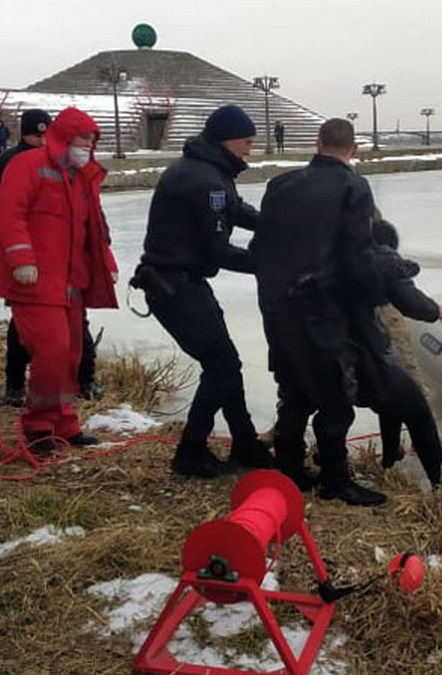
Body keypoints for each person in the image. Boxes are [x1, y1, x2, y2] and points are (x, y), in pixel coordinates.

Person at [252, 118, 388, 506]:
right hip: (322, 308)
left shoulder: (279, 185)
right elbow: (357, 255)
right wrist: (376, 296)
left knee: (293, 388)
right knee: (334, 397)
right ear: (353, 149)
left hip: (277, 305)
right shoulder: (353, 187)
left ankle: (289, 469)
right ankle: (335, 479)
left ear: (318, 143)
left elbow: (261, 247)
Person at [135, 104, 273, 477]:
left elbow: (236, 209)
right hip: (175, 287)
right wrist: (270, 262)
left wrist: (276, 225)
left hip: (180, 283)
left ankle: (245, 444)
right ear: (228, 140)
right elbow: (219, 252)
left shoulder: (206, 169)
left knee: (225, 363)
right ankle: (191, 453)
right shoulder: (206, 180)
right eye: (247, 142)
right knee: (222, 365)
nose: (249, 150)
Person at [0, 107, 119, 453]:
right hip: (35, 282)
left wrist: (106, 262)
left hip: (71, 281)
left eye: (92, 140)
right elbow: (11, 213)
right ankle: (37, 425)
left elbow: (93, 228)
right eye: (83, 138)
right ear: (64, 137)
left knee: (70, 356)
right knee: (51, 353)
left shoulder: (82, 176)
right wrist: (21, 258)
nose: (89, 145)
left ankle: (64, 422)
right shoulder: (27, 165)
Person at [0, 109, 103, 407]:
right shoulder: (16, 163)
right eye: (36, 135)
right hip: (25, 266)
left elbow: (92, 220)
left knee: (71, 336)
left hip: (65, 271)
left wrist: (102, 257)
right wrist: (8, 257)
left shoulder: (76, 169)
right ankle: (18, 387)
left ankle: (81, 385)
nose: (42, 140)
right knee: (35, 335)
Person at [360, 219, 442, 490]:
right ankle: (439, 481)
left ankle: (389, 457)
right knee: (417, 409)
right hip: (362, 348)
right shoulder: (378, 259)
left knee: (390, 400)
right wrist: (435, 310)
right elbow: (408, 299)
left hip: (327, 348)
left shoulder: (336, 253)